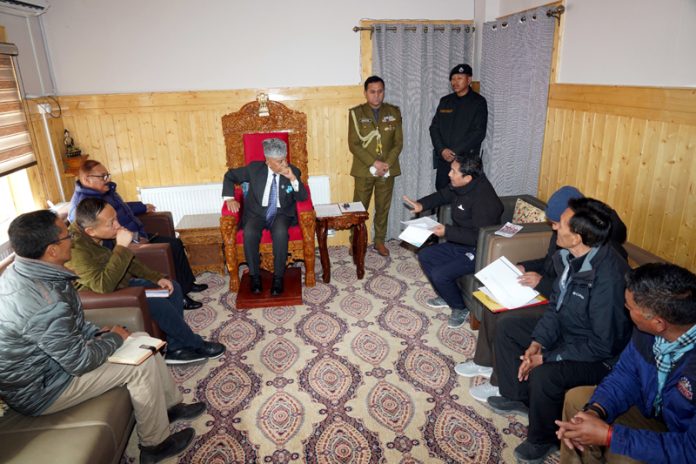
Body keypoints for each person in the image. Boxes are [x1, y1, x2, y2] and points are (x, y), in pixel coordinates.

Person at [0, 210, 206, 463]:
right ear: (51, 250)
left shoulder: (31, 272)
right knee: (138, 367)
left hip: (52, 368)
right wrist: (114, 339)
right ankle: (155, 445)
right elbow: (79, 363)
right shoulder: (42, 299)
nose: (72, 241)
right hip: (44, 390)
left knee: (140, 338)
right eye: (66, 236)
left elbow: (69, 324)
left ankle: (170, 407)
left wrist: (98, 332)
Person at [487, 197, 633, 464]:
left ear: (577, 236)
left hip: (600, 357)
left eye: (561, 225)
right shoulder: (569, 257)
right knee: (508, 326)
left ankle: (543, 439)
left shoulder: (609, 278)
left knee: (545, 372)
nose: (555, 228)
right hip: (571, 328)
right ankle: (518, 397)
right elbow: (556, 306)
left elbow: (603, 345)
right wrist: (538, 343)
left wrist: (547, 356)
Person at [458, 186, 628, 403]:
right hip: (555, 296)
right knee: (494, 302)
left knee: (508, 319)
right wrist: (524, 266)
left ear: (575, 226)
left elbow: (573, 293)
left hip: (559, 302)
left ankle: (503, 383)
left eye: (557, 223)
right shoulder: (566, 236)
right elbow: (550, 263)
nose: (553, 228)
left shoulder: (604, 260)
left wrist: (541, 283)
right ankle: (484, 362)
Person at [556, 263, 696, 464]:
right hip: (654, 412)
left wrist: (610, 436)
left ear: (658, 323)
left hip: (684, 441)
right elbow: (626, 375)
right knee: (577, 401)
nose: (625, 309)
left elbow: (690, 451)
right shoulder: (646, 333)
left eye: (629, 308)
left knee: (625, 457)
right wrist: (595, 411)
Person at [67, 198, 225, 365]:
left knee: (173, 287)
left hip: (119, 283)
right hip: (100, 295)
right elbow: (103, 285)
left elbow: (128, 261)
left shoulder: (102, 232)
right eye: (111, 223)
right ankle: (195, 343)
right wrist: (121, 247)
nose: (117, 225)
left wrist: (157, 277)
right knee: (157, 303)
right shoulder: (76, 250)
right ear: (90, 231)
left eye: (115, 218)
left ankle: (175, 349)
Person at [68, 159, 207, 309]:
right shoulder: (83, 206)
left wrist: (142, 207)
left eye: (107, 175)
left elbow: (122, 207)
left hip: (134, 233)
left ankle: (187, 284)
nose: (107, 179)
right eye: (102, 176)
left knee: (176, 242)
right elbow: (101, 242)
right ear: (86, 179)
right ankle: (182, 296)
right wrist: (133, 240)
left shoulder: (104, 192)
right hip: (126, 239)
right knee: (171, 246)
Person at [403, 153, 503, 329]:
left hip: (478, 250)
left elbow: (479, 236)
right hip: (460, 243)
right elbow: (442, 195)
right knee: (425, 255)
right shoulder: (461, 186)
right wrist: (421, 204)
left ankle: (460, 308)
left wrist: (447, 231)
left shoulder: (484, 200)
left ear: (468, 177)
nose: (449, 174)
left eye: (454, 172)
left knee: (440, 274)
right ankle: (446, 295)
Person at [222, 137, 308, 296]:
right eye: (279, 161)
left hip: (281, 214)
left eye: (284, 159)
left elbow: (303, 197)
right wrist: (230, 198)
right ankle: (254, 276)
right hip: (257, 214)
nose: (284, 164)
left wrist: (292, 179)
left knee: (281, 232)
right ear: (268, 161)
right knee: (249, 233)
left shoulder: (293, 171)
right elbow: (230, 176)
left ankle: (278, 277)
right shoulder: (254, 169)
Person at [348, 75, 403, 256]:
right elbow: (353, 144)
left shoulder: (393, 112)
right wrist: (374, 162)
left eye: (380, 91)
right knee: (359, 208)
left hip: (387, 169)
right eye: (372, 92)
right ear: (365, 93)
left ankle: (379, 240)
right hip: (364, 169)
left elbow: (398, 143)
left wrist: (386, 163)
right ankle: (356, 241)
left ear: (383, 92)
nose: (377, 96)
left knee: (383, 207)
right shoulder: (356, 113)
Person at [429, 63, 488, 190]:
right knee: (442, 192)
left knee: (464, 197)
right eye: (453, 79)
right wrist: (442, 150)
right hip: (444, 160)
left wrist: (454, 151)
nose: (455, 82)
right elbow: (434, 128)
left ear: (469, 80)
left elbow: (478, 132)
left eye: (459, 78)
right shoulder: (445, 101)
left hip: (465, 162)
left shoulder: (478, 102)